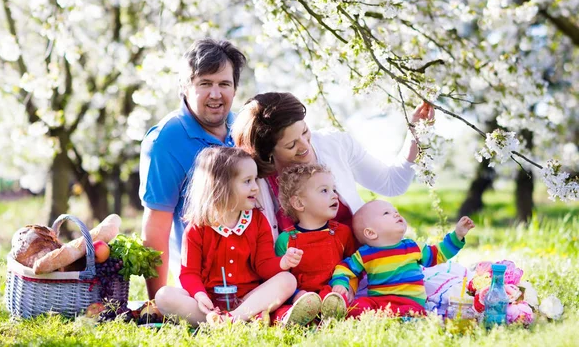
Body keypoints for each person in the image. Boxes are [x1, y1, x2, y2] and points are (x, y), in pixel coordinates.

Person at [231, 92, 434, 242]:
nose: (305, 146)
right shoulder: (254, 178)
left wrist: (415, 131)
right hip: (302, 280)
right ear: (268, 153)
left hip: (359, 265)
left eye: (304, 131)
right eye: (291, 145)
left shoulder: (334, 145)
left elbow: (393, 184)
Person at [155, 147, 315, 326]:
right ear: (221, 186)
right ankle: (229, 320)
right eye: (247, 181)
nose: (255, 187)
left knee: (287, 280)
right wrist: (200, 296)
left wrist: (282, 263)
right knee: (164, 296)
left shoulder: (257, 220)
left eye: (255, 180)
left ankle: (232, 319)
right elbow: (189, 273)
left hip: (248, 299)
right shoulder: (197, 228)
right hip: (208, 304)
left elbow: (263, 265)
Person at [139, 39, 246, 299]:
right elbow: (156, 227)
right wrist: (157, 300)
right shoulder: (166, 140)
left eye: (224, 84)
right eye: (205, 84)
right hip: (200, 280)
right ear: (185, 87)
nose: (215, 94)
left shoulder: (243, 127)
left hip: (251, 267)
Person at [329, 200, 475, 317]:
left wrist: (457, 235)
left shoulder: (413, 247)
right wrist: (341, 283)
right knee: (357, 306)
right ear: (371, 233)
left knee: (412, 313)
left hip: (409, 301)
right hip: (378, 301)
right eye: (387, 213)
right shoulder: (365, 254)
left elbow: (439, 253)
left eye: (396, 211)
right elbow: (344, 268)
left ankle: (397, 317)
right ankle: (378, 316)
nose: (396, 214)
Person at [274, 163, 357, 322]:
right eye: (324, 190)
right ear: (298, 203)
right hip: (301, 297)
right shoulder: (286, 239)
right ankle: (291, 319)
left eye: (334, 189)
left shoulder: (342, 233)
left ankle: (331, 314)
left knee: (341, 301)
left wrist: (347, 286)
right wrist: (295, 294)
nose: (335, 195)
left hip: (332, 291)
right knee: (280, 311)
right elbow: (280, 276)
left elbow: (352, 265)